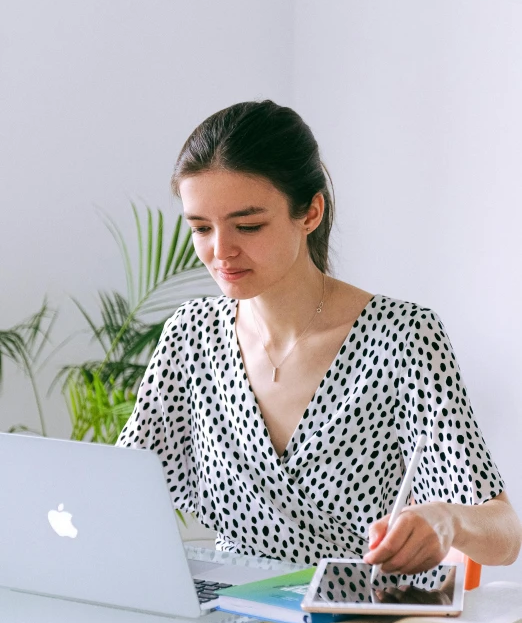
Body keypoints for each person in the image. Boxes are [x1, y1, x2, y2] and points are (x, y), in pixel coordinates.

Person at [116, 100, 521, 574]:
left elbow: (505, 534)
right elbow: (121, 491)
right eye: (201, 228)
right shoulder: (191, 336)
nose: (221, 251)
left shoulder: (402, 337)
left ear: (310, 213)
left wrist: (448, 521)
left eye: (248, 225)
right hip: (229, 622)